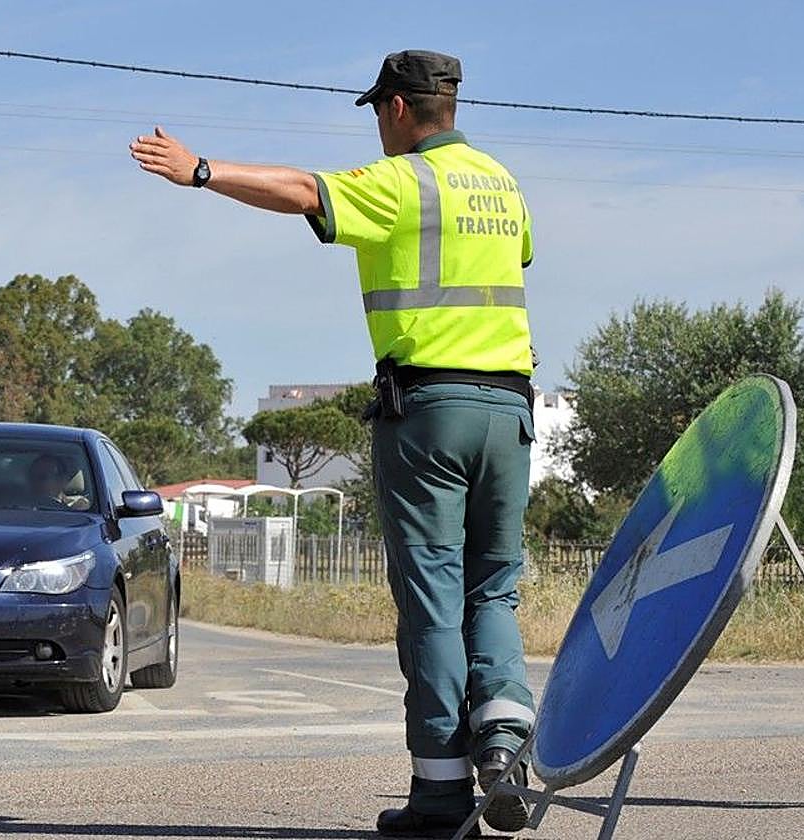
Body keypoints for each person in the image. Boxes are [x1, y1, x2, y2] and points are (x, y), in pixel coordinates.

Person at [130, 50, 536, 838]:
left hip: (431, 410)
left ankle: (443, 798)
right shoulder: (503, 184)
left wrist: (201, 171)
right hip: (510, 411)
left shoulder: (401, 182)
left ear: (394, 109)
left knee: (433, 601)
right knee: (495, 589)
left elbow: (303, 190)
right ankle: (506, 742)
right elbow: (513, 260)